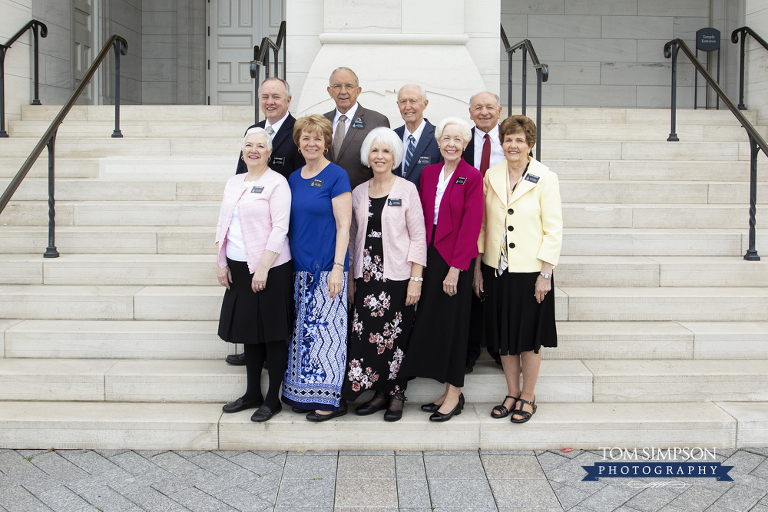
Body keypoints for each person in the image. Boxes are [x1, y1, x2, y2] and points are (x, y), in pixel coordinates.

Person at [473, 115, 562, 423]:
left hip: (531, 272)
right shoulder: (491, 175)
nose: (513, 145)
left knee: (528, 337)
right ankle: (512, 392)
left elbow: (554, 229)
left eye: (519, 140)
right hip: (496, 270)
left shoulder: (545, 177)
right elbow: (483, 224)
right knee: (504, 337)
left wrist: (546, 274)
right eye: (508, 139)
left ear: (530, 144)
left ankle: (528, 395)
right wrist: (478, 268)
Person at [399, 117, 483, 422]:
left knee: (455, 328)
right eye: (446, 138)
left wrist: (456, 269)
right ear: (438, 143)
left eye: (457, 139)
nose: (451, 144)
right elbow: (419, 218)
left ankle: (455, 394)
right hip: (430, 255)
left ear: (465, 144)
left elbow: (471, 225)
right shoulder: (429, 173)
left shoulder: (472, 177)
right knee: (435, 323)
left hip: (455, 261)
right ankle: (445, 391)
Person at [342, 127, 427, 422]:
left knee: (396, 336)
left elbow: (418, 237)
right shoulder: (358, 192)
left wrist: (416, 279)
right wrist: (351, 277)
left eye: (387, 151)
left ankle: (397, 394)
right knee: (368, 337)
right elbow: (352, 238)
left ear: (395, 156)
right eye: (375, 150)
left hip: (398, 277)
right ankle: (379, 392)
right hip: (367, 278)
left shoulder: (406, 190)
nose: (380, 156)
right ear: (368, 155)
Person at [215, 127, 293, 422]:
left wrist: (262, 268)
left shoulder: (278, 183)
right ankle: (252, 393)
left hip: (270, 269)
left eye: (260, 145)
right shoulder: (234, 182)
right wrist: (221, 261)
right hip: (237, 267)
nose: (254, 150)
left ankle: (272, 399)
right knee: (249, 334)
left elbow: (280, 228)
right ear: (242, 150)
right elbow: (223, 223)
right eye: (248, 144)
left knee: (272, 335)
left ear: (269, 152)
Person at [227, 77, 305, 367]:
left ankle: (274, 352)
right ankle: (252, 348)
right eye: (265, 96)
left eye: (276, 96)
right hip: (251, 229)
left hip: (280, 225)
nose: (270, 101)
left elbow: (299, 180)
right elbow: (242, 172)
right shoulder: (254, 131)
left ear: (288, 100)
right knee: (251, 301)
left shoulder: (297, 131)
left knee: (273, 301)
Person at [281, 114, 353, 422]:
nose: (312, 143)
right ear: (298, 143)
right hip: (299, 271)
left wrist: (338, 267)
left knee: (328, 337)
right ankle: (302, 394)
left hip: (327, 269)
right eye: (306, 138)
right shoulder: (293, 178)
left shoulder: (337, 175)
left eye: (318, 138)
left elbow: (344, 225)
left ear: (326, 142)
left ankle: (330, 401)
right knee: (304, 334)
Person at [463, 91, 506, 374]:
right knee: (470, 287)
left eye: (489, 107)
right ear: (470, 112)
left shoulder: (511, 142)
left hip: (500, 222)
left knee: (497, 287)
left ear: (499, 110)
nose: (484, 112)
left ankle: (500, 348)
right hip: (467, 222)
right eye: (478, 107)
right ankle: (469, 350)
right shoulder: (461, 142)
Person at [324, 67, 390, 190]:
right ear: (330, 91)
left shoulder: (377, 121)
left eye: (349, 86)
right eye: (337, 86)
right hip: (325, 199)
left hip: (362, 199)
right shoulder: (321, 122)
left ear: (358, 90)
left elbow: (385, 167)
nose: (343, 91)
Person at [392, 84, 442, 189]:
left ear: (425, 104)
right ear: (398, 105)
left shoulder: (439, 137)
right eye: (403, 101)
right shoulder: (392, 137)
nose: (408, 106)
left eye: (413, 101)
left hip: (424, 203)